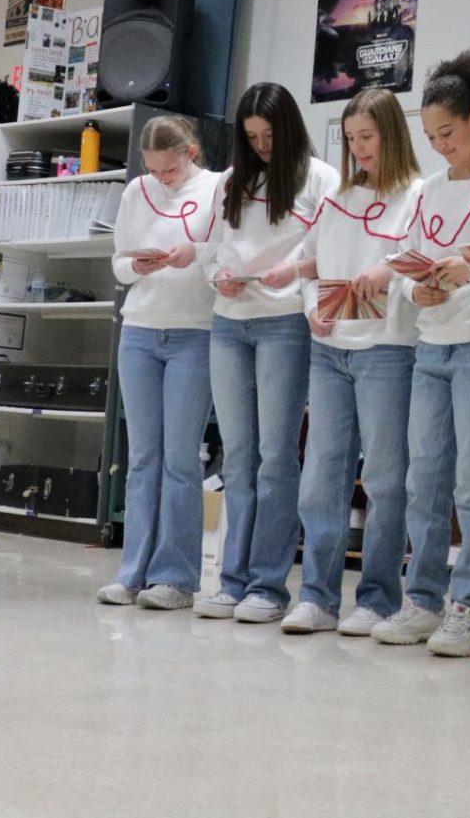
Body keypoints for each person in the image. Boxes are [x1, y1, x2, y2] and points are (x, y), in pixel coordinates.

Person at [369, 50, 470, 656]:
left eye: (447, 133)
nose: (439, 147)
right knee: (423, 478)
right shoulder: (428, 190)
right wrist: (416, 286)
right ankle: (422, 599)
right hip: (432, 348)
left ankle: (468, 608)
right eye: (430, 137)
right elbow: (403, 263)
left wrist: (467, 273)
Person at [195, 83, 339, 623]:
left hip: (284, 325)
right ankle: (231, 581)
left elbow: (327, 253)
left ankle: (268, 587)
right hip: (229, 324)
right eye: (251, 137)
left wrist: (300, 291)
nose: (261, 146)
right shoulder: (231, 182)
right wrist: (218, 276)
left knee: (277, 458)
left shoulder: (319, 178)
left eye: (269, 135)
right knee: (239, 457)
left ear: (290, 129)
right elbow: (210, 248)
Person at [282, 87, 423, 637]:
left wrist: (390, 277)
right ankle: (316, 596)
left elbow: (417, 269)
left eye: (368, 136)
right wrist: (311, 310)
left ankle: (380, 599)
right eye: (350, 139)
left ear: (391, 134)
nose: (360, 148)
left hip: (388, 351)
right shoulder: (337, 197)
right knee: (321, 477)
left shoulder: (417, 196)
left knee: (386, 478)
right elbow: (306, 266)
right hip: (330, 350)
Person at [97, 116, 220, 610]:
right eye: (152, 169)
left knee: (180, 458)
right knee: (143, 457)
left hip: (195, 332)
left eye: (169, 169)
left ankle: (176, 578)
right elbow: (119, 263)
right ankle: (133, 572)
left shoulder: (217, 187)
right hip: (141, 331)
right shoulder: (136, 193)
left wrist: (196, 254)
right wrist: (138, 264)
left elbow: (220, 250)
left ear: (191, 151)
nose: (161, 177)